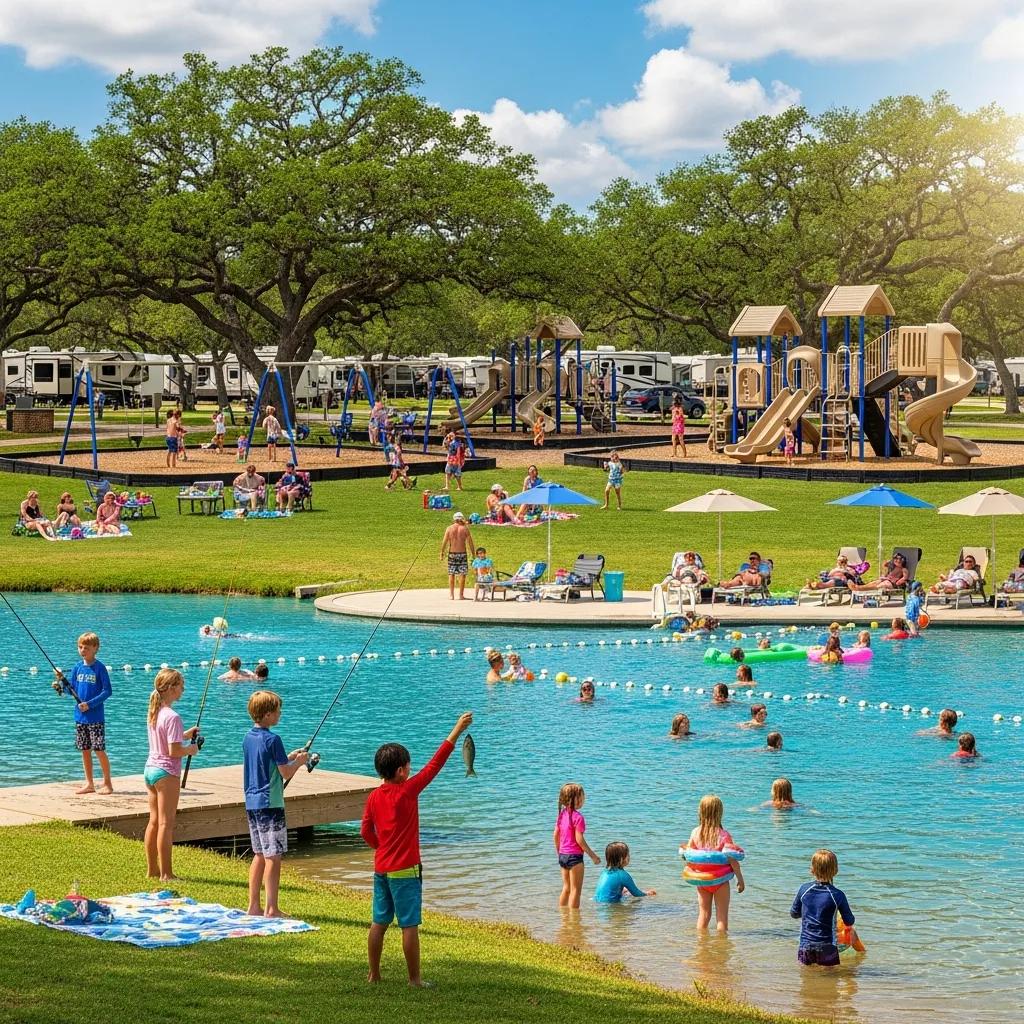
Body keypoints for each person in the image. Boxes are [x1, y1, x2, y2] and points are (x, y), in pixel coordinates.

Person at [361, 711, 474, 987]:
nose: (411, 770)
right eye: (409, 766)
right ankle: (415, 980)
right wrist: (456, 729)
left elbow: (365, 830)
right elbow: (435, 764)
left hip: (381, 869)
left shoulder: (375, 795)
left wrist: (381, 848)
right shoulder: (407, 791)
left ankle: (374, 974)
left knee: (379, 922)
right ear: (401, 771)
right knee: (409, 925)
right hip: (405, 871)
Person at [243, 690, 308, 916]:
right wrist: (299, 762)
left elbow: (268, 762)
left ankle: (253, 906)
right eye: (278, 710)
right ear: (269, 714)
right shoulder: (274, 739)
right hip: (271, 804)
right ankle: (272, 908)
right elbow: (285, 772)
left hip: (252, 802)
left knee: (259, 854)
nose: (280, 713)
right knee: (274, 856)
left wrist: (289, 756)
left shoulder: (248, 737)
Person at [144, 668, 202, 881]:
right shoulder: (173, 716)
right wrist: (191, 749)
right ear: (170, 688)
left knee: (154, 822)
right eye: (180, 685)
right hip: (166, 773)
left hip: (150, 770)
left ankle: (152, 870)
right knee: (166, 824)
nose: (183, 689)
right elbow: (174, 751)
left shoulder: (155, 712)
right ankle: (167, 874)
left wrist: (185, 735)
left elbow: (165, 739)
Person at [57, 632, 113, 795]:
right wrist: (62, 681)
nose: (82, 650)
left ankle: (107, 783)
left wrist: (89, 704)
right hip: (80, 718)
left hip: (95, 717)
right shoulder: (77, 668)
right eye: (80, 647)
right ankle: (89, 783)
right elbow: (70, 690)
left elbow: (107, 691)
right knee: (85, 749)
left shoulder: (100, 668)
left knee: (99, 749)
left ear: (96, 648)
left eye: (86, 648)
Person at [683, 794, 745, 932]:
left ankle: (701, 946)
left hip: (702, 880)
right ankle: (721, 949)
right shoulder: (724, 835)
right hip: (720, 881)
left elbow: (689, 856)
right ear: (720, 813)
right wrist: (740, 879)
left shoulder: (695, 833)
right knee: (722, 917)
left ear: (701, 812)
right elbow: (732, 859)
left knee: (704, 915)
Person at [790, 849, 856, 967]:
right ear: (835, 871)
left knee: (807, 978)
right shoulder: (837, 895)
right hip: (827, 945)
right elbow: (849, 921)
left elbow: (794, 913)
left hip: (806, 945)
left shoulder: (804, 890)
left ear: (812, 869)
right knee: (830, 980)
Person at [554, 782, 601, 909]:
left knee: (566, 888)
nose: (583, 799)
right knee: (576, 890)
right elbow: (579, 840)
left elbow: (555, 835)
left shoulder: (561, 814)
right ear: (576, 799)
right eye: (582, 797)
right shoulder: (578, 817)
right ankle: (573, 919)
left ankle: (562, 913)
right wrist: (593, 856)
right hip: (575, 857)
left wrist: (559, 852)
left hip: (563, 856)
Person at [440, 511, 475, 600]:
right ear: (461, 518)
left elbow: (444, 541)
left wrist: (442, 552)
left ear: (454, 519)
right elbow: (470, 542)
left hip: (452, 554)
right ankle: (461, 595)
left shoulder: (449, 528)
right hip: (462, 554)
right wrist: (473, 554)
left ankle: (451, 595)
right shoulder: (465, 529)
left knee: (451, 574)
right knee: (462, 575)